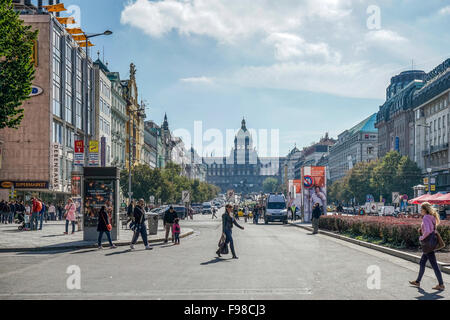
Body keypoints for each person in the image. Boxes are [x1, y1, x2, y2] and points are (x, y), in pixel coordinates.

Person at [409, 202, 445, 291]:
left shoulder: (425, 218)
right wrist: (422, 229)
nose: (420, 211)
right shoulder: (432, 217)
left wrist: (421, 237)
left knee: (434, 265)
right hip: (430, 243)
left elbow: (428, 231)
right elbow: (432, 230)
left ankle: (441, 284)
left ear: (425, 210)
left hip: (427, 244)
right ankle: (417, 281)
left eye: (421, 209)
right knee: (422, 262)